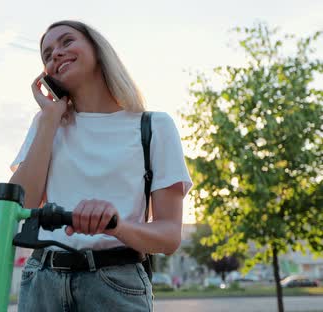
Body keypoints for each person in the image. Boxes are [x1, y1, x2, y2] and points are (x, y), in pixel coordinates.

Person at [10, 20, 193, 311]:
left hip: (115, 285)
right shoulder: (47, 123)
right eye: (47, 55)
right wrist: (49, 119)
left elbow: (169, 236)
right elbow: (20, 203)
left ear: (97, 49)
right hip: (42, 281)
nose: (55, 53)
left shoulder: (155, 126)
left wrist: (116, 226)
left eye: (67, 42)